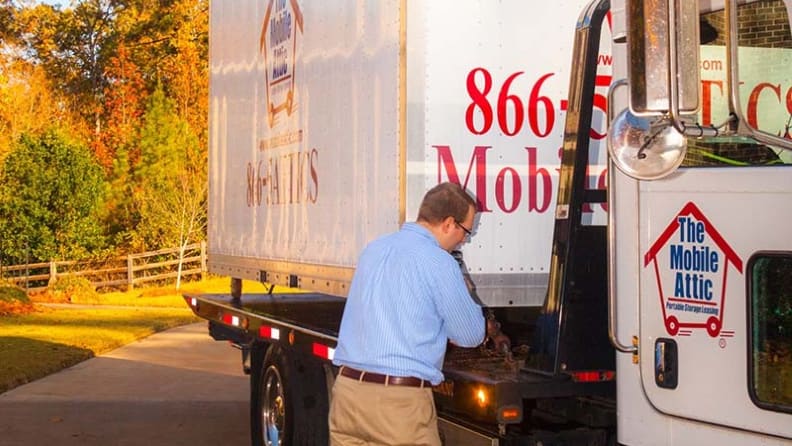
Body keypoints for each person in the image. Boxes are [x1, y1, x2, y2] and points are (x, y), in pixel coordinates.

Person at [329, 182, 486, 446]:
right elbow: (470, 335)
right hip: (398, 405)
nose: (464, 240)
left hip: (347, 394)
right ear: (449, 223)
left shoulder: (374, 250)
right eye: (466, 231)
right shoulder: (439, 262)